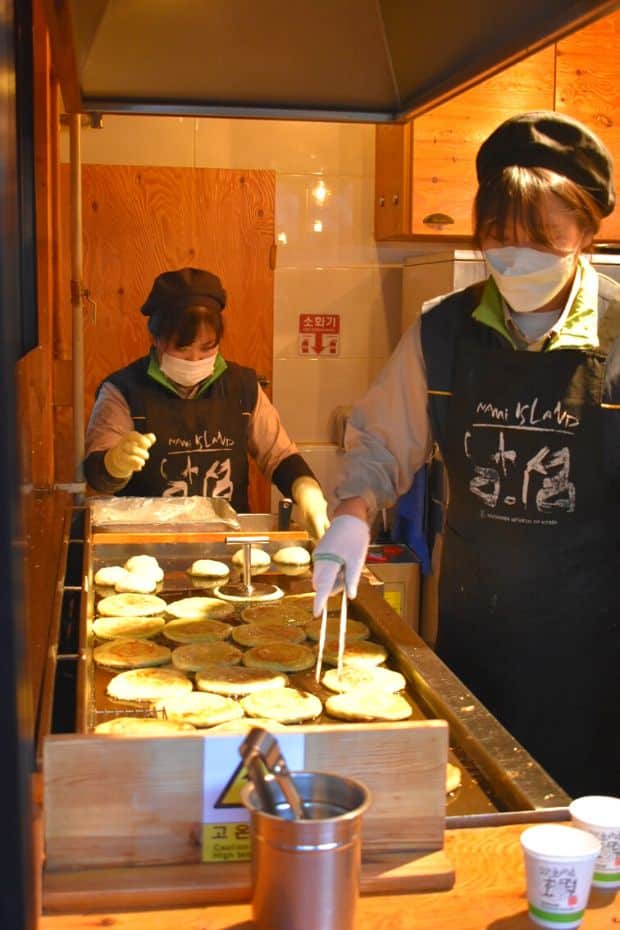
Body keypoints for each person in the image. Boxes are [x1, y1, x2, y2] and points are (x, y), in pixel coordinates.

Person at [312, 111, 620, 796]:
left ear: (588, 232)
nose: (516, 256)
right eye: (498, 238)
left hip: (595, 654)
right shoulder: (445, 330)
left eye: (542, 237)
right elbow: (382, 439)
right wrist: (353, 513)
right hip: (473, 634)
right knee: (476, 802)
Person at [83, 266, 329, 539]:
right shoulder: (122, 390)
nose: (195, 360)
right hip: (144, 544)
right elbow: (96, 478)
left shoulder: (242, 387)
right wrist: (113, 465)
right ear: (155, 339)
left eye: (207, 347)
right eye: (182, 348)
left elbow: (279, 455)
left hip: (227, 544)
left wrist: (306, 489)